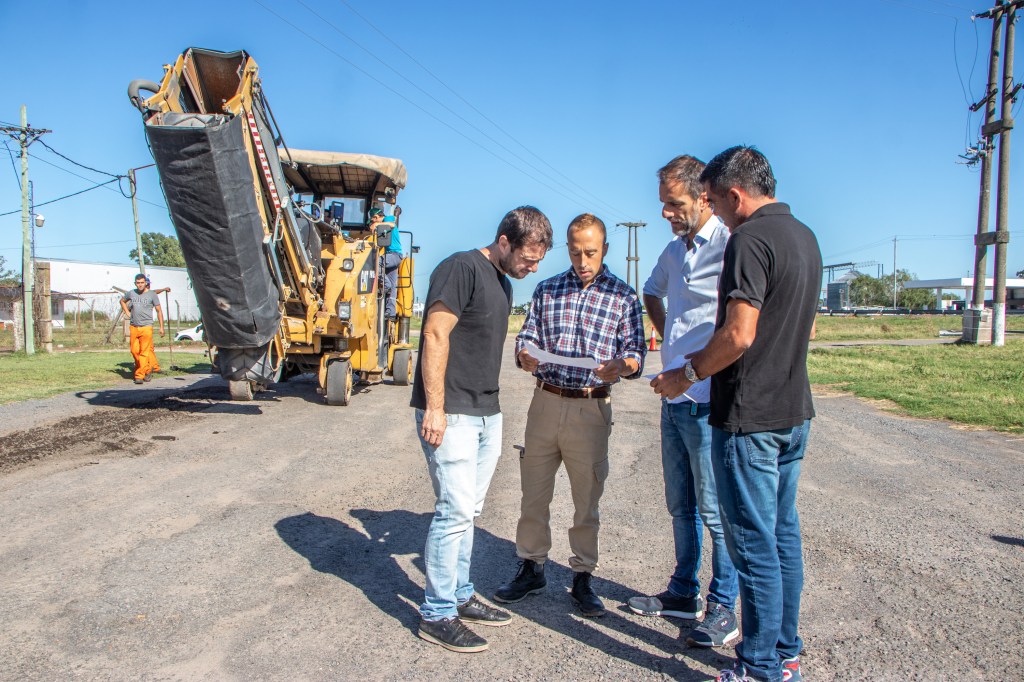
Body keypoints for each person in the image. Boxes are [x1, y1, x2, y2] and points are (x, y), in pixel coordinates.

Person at [650, 147, 821, 682]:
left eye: (716, 201)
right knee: (782, 537)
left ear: (734, 194)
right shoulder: (805, 237)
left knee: (752, 545)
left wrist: (686, 374)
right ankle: (785, 653)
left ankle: (758, 666)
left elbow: (739, 334)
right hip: (793, 411)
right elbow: (808, 327)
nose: (717, 213)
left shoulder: (747, 239)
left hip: (750, 418)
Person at [411, 205, 553, 653]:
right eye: (528, 258)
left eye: (539, 262)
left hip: (487, 413)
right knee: (452, 512)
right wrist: (435, 408)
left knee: (469, 512)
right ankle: (437, 613)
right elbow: (435, 334)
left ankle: (460, 594)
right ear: (504, 241)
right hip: (452, 412)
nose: (532, 268)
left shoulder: (503, 284)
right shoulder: (461, 268)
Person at [494, 213, 646, 618]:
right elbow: (527, 336)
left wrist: (623, 365)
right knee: (533, 493)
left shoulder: (624, 296)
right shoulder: (547, 289)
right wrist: (525, 355)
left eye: (590, 253)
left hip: (591, 407)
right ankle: (531, 567)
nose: (582, 261)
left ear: (605, 249)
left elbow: (636, 351)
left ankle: (582, 576)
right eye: (576, 252)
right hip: (545, 402)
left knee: (586, 500)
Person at [627, 155, 739, 648]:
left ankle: (723, 606)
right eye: (663, 204)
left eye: (674, 204)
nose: (666, 213)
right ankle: (682, 592)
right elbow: (651, 292)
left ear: (703, 197)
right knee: (682, 506)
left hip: (709, 399)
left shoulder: (732, 245)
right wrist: (666, 333)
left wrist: (696, 363)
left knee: (717, 512)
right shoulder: (674, 252)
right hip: (672, 399)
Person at [120, 273, 165, 384]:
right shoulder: (131, 293)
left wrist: (161, 327)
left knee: (144, 352)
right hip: (134, 326)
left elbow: (159, 311)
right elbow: (122, 301)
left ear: (146, 283)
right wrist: (127, 312)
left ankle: (139, 376)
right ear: (135, 283)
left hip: (146, 327)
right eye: (138, 283)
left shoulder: (152, 294)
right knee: (134, 351)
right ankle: (147, 369)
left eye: (142, 283)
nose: (140, 285)